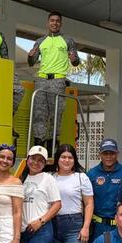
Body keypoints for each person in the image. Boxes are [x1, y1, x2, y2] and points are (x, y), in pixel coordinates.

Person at [27, 11, 79, 150]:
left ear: (60, 23)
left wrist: (74, 59)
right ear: (48, 23)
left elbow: (75, 61)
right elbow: (31, 62)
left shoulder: (67, 40)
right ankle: (39, 144)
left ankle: (52, 145)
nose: (54, 23)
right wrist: (30, 56)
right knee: (39, 113)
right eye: (52, 20)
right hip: (41, 79)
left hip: (58, 80)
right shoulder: (40, 41)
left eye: (57, 21)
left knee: (56, 113)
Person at [87, 138, 122, 241]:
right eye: (105, 153)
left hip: (119, 227)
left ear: (117, 154)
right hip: (97, 227)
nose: (108, 157)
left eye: (112, 153)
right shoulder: (91, 174)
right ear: (100, 154)